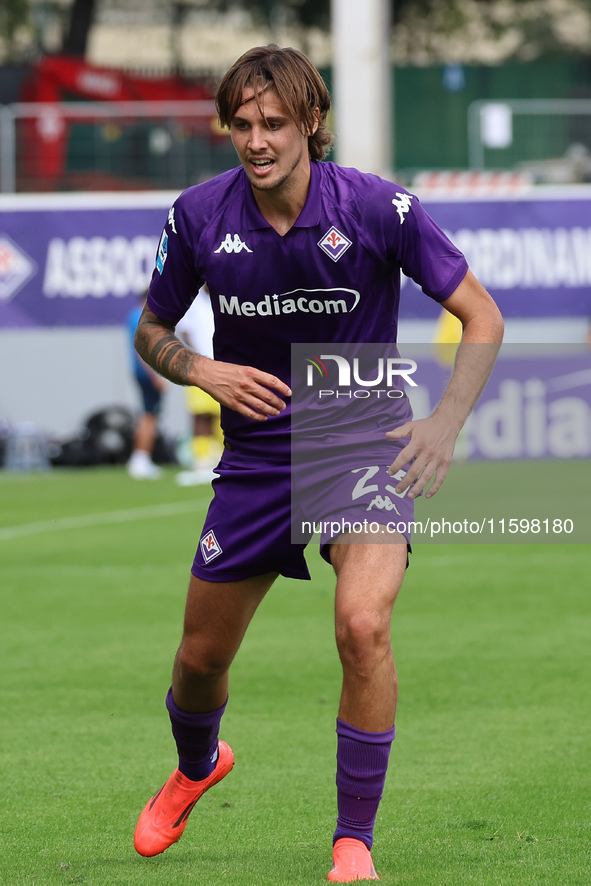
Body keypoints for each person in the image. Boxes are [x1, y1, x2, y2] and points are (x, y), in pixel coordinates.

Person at [132, 45, 504, 881]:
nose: (256, 140)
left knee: (362, 625)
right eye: (241, 124)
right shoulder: (196, 216)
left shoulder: (377, 207)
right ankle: (197, 766)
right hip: (258, 456)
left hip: (358, 434)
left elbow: (480, 315)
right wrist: (199, 368)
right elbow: (151, 331)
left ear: (311, 124)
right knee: (198, 663)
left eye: (273, 123)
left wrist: (444, 423)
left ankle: (352, 843)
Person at [174, 286, 223, 486]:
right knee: (202, 416)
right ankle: (202, 462)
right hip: (202, 367)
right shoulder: (193, 301)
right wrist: (198, 360)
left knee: (227, 415)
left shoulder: (230, 295)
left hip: (228, 365)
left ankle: (224, 460)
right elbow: (186, 332)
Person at [125, 296, 166, 479]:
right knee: (150, 416)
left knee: (147, 414)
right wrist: (154, 375)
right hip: (146, 373)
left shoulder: (132, 316)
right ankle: (141, 458)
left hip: (140, 373)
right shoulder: (141, 318)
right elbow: (142, 348)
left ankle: (140, 458)